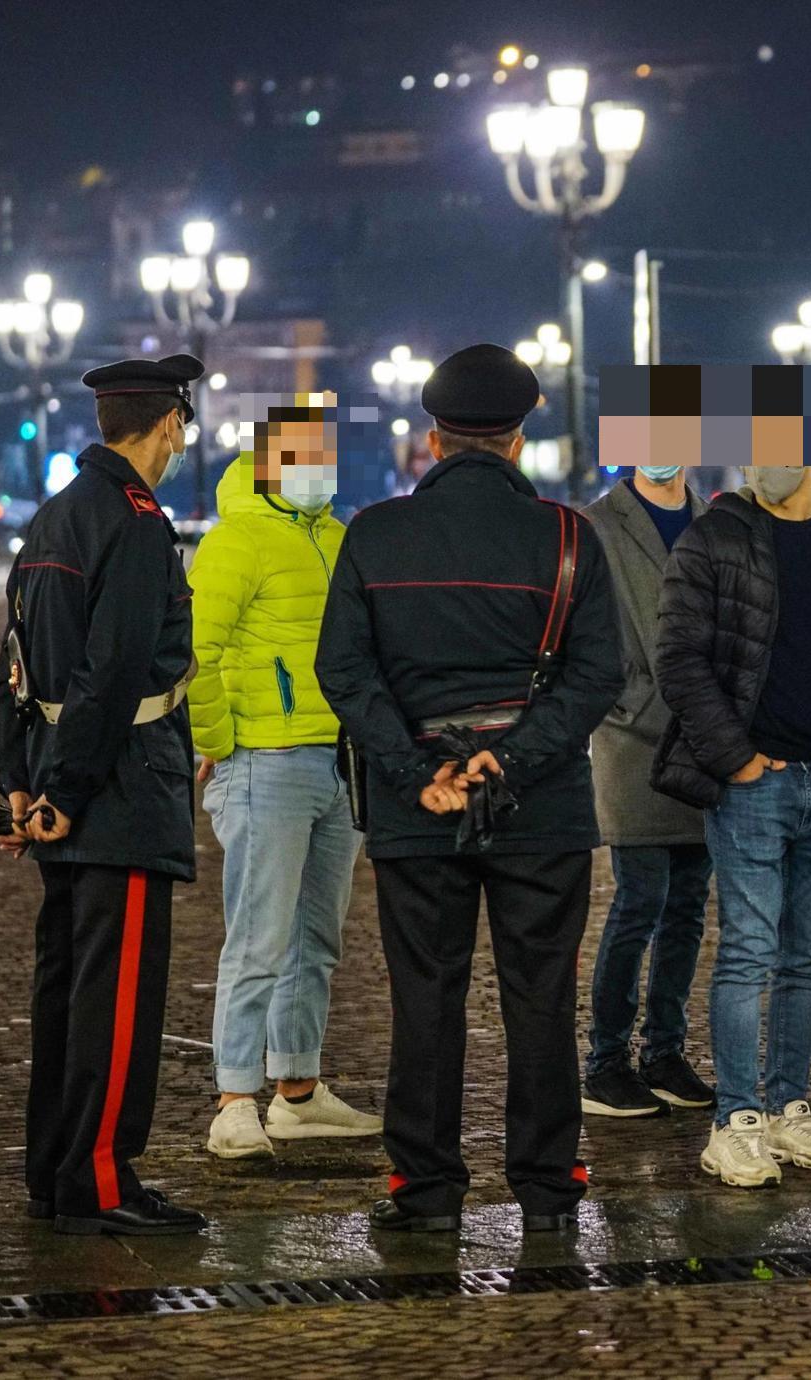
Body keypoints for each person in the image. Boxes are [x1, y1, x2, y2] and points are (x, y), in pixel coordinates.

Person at [315, 343, 623, 1234]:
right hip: (544, 806)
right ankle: (548, 1184)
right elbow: (598, 675)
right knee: (539, 999)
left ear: (434, 437)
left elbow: (345, 670)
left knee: (426, 998)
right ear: (521, 436)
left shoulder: (374, 534)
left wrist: (421, 772)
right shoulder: (569, 536)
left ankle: (426, 1190)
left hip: (418, 811)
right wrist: (509, 760)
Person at [0, 355, 209, 1236]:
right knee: (114, 1003)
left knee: (65, 995)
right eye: (182, 428)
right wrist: (69, 791)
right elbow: (113, 672)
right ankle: (102, 1181)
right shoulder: (136, 524)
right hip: (118, 796)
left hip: (57, 790)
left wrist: (19, 784)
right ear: (167, 426)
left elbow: (13, 672)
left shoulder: (48, 520)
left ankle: (55, 1169)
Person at [652, 465, 811, 1189]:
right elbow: (680, 659)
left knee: (803, 959)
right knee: (746, 954)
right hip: (755, 783)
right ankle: (735, 1122)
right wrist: (737, 759)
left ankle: (789, 1107)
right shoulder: (712, 540)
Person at [189, 397, 380, 1158]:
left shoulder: (339, 536)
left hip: (337, 763)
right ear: (268, 461)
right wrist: (219, 740)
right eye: (301, 454)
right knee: (259, 939)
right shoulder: (236, 539)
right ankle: (235, 1098)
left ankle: (296, 1090)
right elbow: (192, 649)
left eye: (324, 452)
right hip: (264, 760)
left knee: (316, 940)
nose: (317, 469)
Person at [581, 465, 714, 1118]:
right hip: (635, 736)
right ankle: (606, 1060)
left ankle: (665, 1052)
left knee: (689, 902)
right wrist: (625, 697)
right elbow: (581, 627)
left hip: (705, 734)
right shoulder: (598, 523)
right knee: (641, 899)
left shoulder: (712, 518)